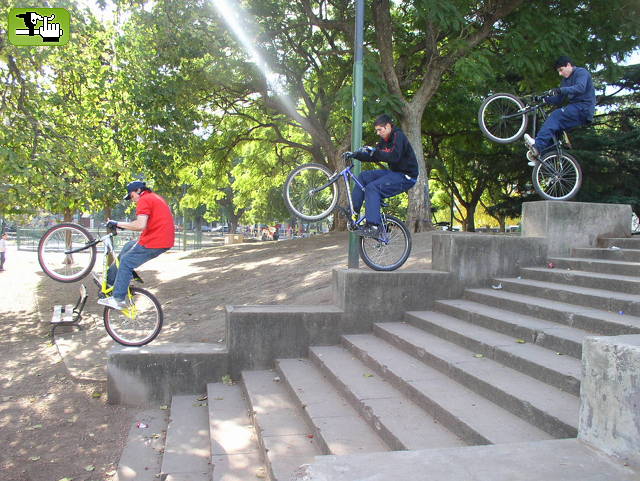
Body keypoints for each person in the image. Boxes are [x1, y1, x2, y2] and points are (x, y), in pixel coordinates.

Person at [98, 181, 175, 310]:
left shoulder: (144, 200)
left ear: (139, 190)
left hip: (156, 241)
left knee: (127, 262)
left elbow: (140, 225)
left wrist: (118, 223)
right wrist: (122, 225)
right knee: (128, 246)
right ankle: (111, 280)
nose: (132, 200)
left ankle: (118, 299)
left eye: (132, 196)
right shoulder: (154, 197)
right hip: (161, 239)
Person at [347, 114, 419, 237]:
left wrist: (376, 152)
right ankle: (354, 212)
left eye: (380, 130)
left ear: (388, 126)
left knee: (372, 188)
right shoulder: (384, 141)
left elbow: (394, 156)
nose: (378, 133)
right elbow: (375, 156)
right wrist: (355, 155)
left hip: (406, 177)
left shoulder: (398, 136)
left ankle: (373, 226)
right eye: (377, 130)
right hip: (394, 173)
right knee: (364, 176)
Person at [524, 56, 596, 166]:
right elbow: (558, 99)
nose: (560, 74)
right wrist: (542, 98)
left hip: (583, 108)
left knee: (556, 115)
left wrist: (560, 90)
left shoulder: (581, 72)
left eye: (561, 70)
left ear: (568, 65)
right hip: (577, 111)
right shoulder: (565, 81)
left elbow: (580, 87)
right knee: (554, 133)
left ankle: (537, 145)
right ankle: (542, 157)